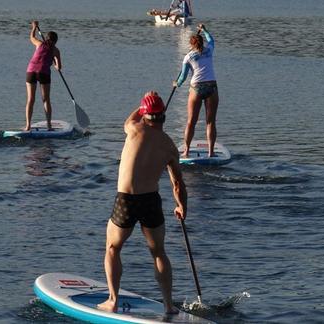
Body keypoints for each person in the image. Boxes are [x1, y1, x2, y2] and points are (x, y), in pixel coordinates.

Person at [97, 92, 187, 314]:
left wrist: (143, 105)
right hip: (151, 201)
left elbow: (128, 120)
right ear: (163, 117)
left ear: (144, 115)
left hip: (126, 200)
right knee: (158, 252)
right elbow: (177, 184)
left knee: (113, 248)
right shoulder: (170, 147)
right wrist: (182, 206)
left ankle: (113, 300)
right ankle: (168, 305)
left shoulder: (134, 128)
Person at [174, 23, 218, 158]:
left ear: (191, 44)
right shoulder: (209, 50)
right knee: (210, 122)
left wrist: (177, 84)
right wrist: (204, 30)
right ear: (201, 42)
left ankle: (186, 151)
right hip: (212, 86)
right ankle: (211, 152)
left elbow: (183, 76)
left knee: (191, 122)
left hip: (196, 88)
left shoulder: (188, 57)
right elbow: (211, 40)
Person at [24, 21, 61, 131]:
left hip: (30, 71)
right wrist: (54, 61)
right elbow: (59, 67)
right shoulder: (56, 50)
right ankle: (49, 126)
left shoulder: (39, 43)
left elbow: (31, 37)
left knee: (30, 99)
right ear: (55, 41)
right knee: (46, 100)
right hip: (43, 73)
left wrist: (34, 27)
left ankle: (28, 126)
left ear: (47, 38)